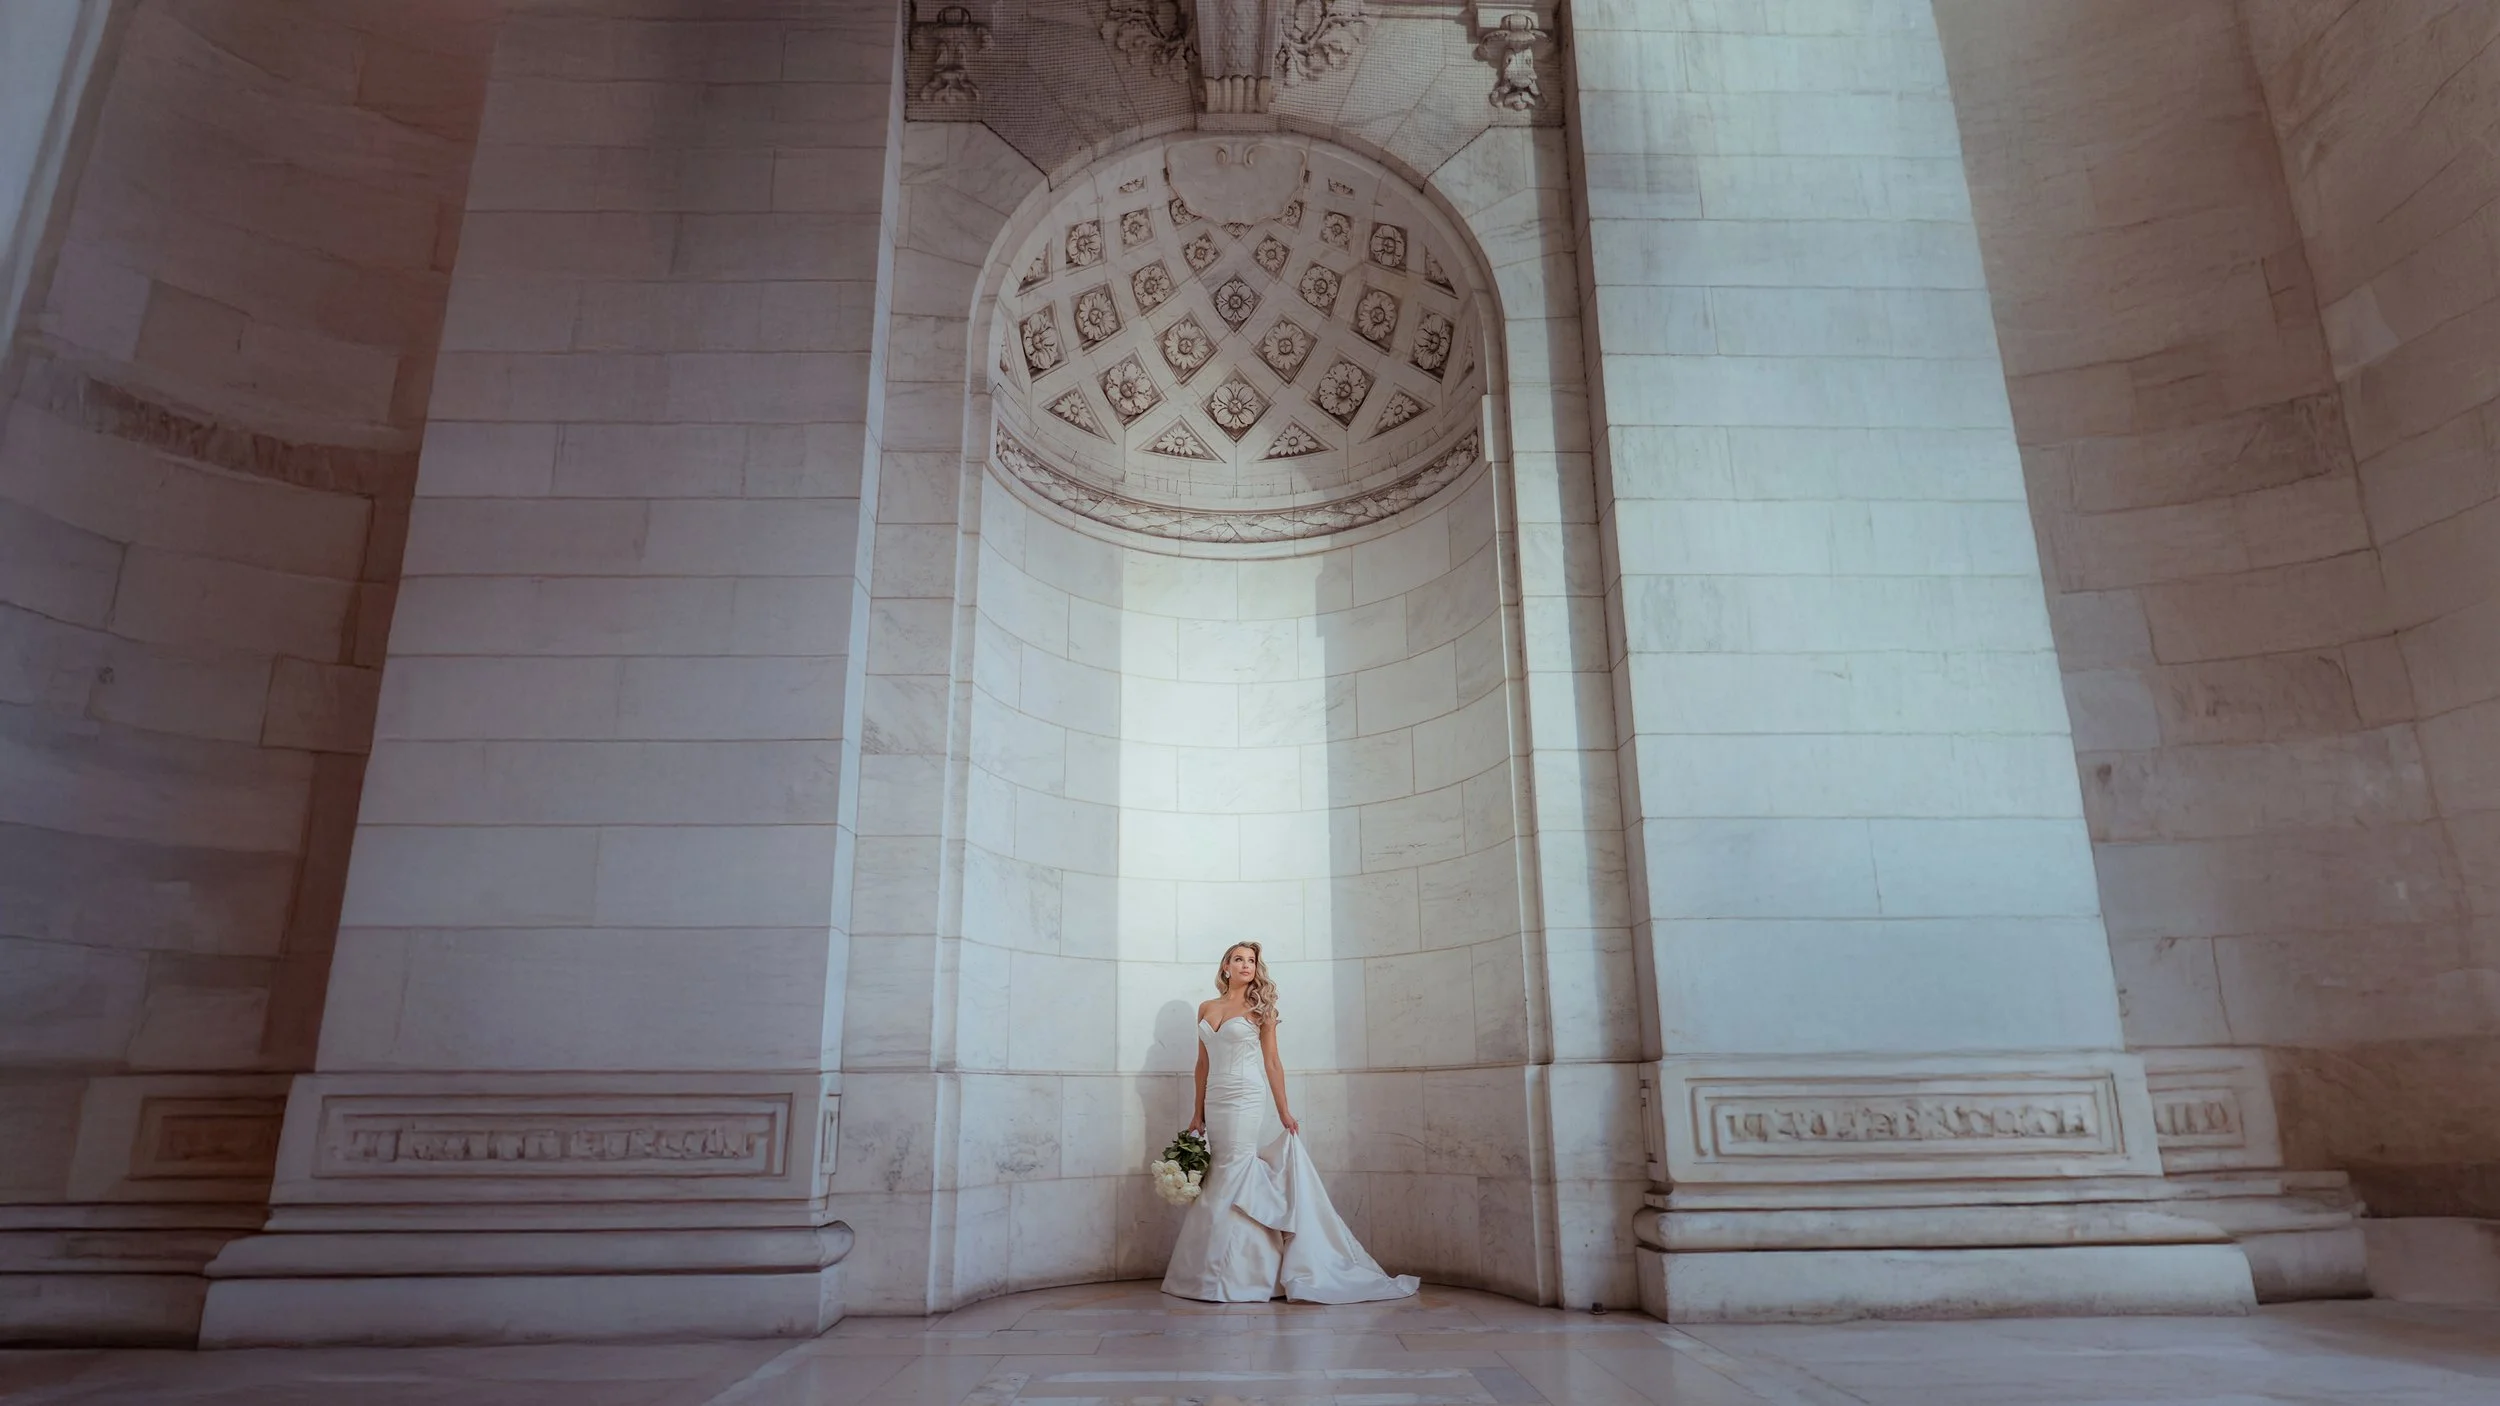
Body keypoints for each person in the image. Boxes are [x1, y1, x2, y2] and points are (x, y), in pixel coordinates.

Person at [1159, 940, 1420, 1303]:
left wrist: (1284, 1110)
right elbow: (1202, 1064)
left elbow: (1272, 1062)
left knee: (1236, 1167)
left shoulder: (1260, 1008)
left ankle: (1240, 1274)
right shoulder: (1206, 1007)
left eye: (1252, 961)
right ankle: (1210, 1272)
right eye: (1239, 959)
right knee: (1219, 1169)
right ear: (1225, 967)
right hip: (1216, 1097)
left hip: (1246, 1096)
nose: (1246, 965)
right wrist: (1197, 1111)